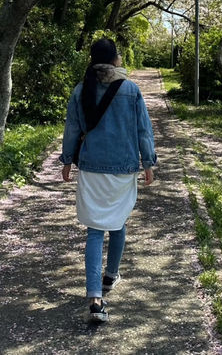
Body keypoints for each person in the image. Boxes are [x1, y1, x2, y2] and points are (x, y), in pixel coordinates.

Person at [60, 37, 157, 323]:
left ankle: (94, 297)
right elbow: (143, 130)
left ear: (91, 60)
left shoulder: (81, 89)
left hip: (91, 168)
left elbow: (72, 128)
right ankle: (110, 276)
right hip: (123, 168)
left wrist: (67, 161)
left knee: (94, 229)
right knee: (118, 223)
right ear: (116, 59)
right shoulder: (130, 90)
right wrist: (148, 162)